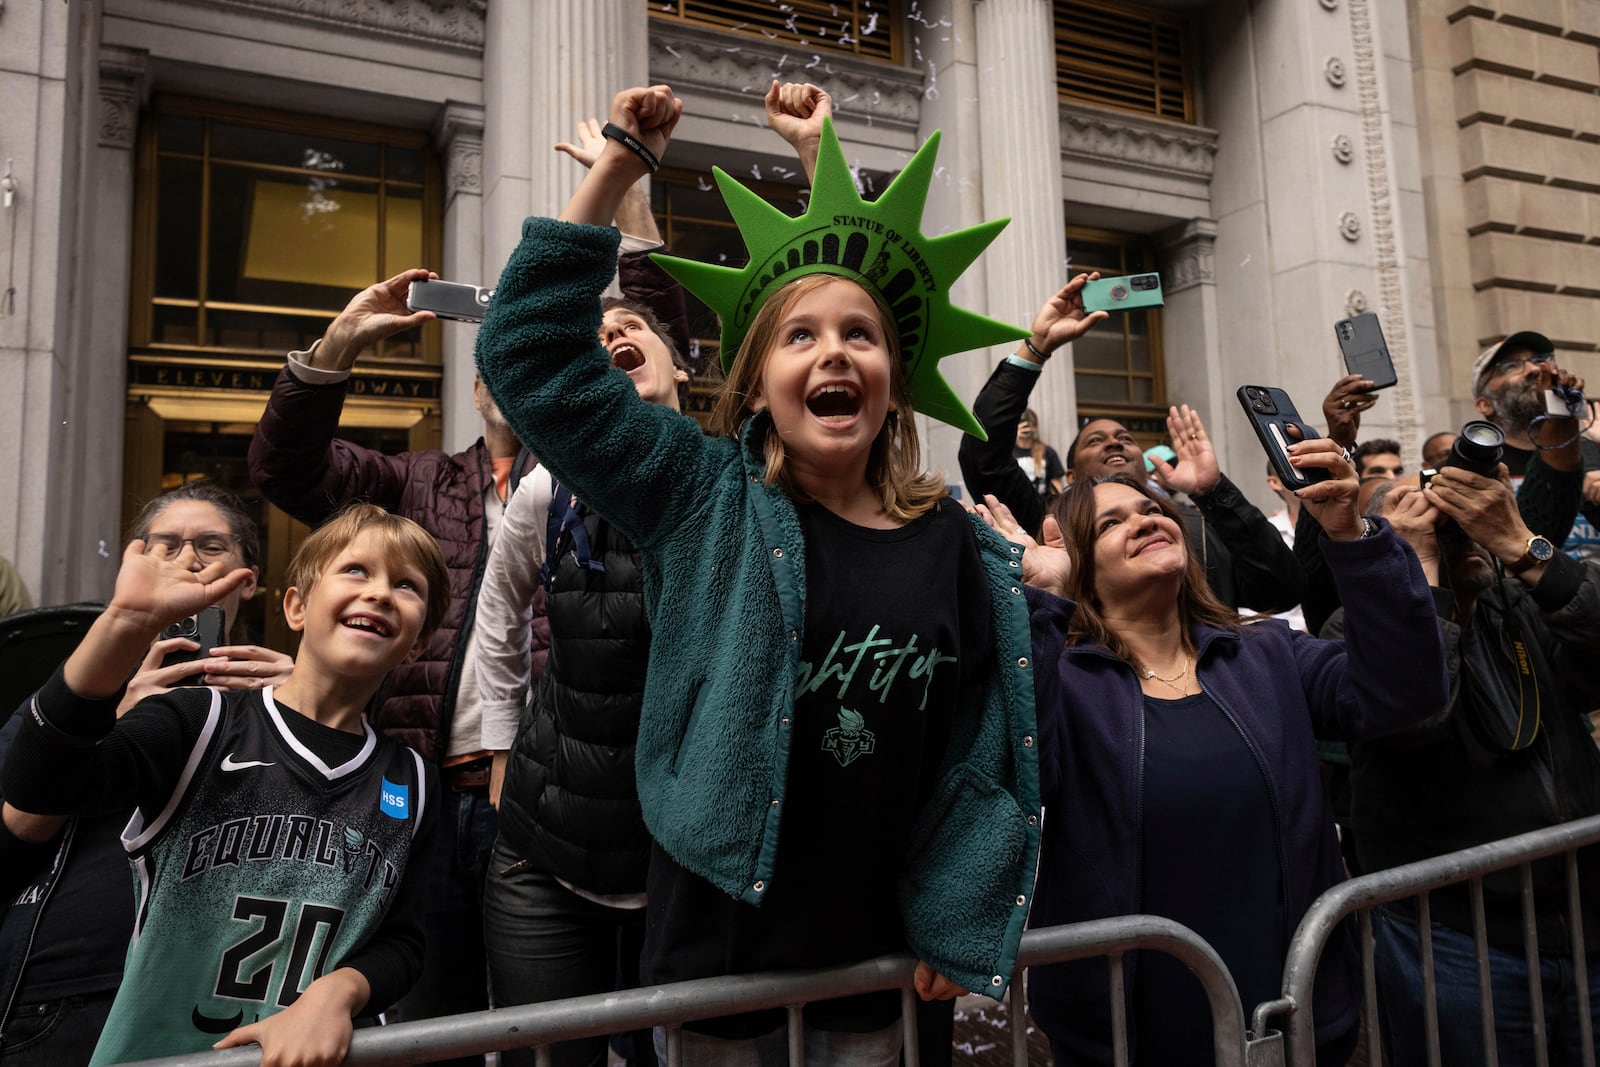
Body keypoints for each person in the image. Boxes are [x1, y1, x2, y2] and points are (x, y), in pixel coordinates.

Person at [474, 83, 1040, 1062]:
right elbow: (526, 355)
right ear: (758, 378)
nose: (834, 352)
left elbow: (980, 743)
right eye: (801, 335)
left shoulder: (958, 545)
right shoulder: (699, 492)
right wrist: (619, 165)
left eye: (859, 334)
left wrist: (959, 903)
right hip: (719, 973)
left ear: (895, 377)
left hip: (887, 980)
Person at [975, 436, 1447, 1065]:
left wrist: (1353, 536)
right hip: (1131, 1037)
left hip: (1293, 1023)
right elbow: (1013, 778)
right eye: (1111, 523)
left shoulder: (1266, 652)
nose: (1145, 519)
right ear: (1078, 562)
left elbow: (1406, 693)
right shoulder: (1063, 682)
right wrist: (1043, 603)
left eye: (1151, 509)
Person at [0, 502, 447, 1066]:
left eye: (406, 584)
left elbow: (403, 943)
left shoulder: (413, 780)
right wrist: (121, 625)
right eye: (356, 570)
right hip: (158, 1055)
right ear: (296, 606)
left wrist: (337, 994)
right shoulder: (200, 720)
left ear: (419, 643)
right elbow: (38, 786)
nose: (380, 592)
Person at [0, 481, 292, 1067]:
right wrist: (110, 721)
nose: (188, 560)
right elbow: (13, 834)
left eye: (211, 545)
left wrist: (306, 712)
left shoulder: (287, 693)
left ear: (249, 578)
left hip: (227, 997)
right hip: (73, 990)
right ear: (134, 562)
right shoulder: (76, 696)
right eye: (166, 545)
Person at [474, 295, 690, 1067]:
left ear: (681, 365)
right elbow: (497, 611)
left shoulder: (741, 483)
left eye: (635, 325)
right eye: (598, 332)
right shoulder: (545, 488)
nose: (614, 332)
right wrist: (499, 750)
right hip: (545, 853)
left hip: (688, 867)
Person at [1342, 474, 1600, 1066]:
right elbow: (1416, 719)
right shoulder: (1353, 633)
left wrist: (1520, 544)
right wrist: (1415, 575)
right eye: (1438, 529)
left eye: (1464, 526)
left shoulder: (1520, 611)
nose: (1460, 539)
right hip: (1460, 942)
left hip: (1582, 918)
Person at [958, 319, 1304, 613]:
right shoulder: (1053, 530)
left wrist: (1213, 492)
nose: (1114, 442)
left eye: (1125, 438)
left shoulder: (1198, 522)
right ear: (1071, 476)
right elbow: (984, 455)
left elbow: (1280, 590)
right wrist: (1035, 350)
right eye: (1095, 441)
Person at [1015, 408, 1067, 500]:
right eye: (1021, 423)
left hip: (1042, 507)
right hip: (1015, 506)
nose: (1026, 428)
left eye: (1030, 424)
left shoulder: (1048, 452)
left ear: (1036, 426)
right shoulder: (1008, 453)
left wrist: (1060, 505)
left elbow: (1056, 484)